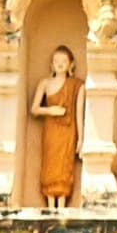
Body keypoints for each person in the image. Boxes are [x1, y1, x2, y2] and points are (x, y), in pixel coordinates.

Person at [31, 45, 82, 204]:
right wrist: (50, 110)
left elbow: (78, 113)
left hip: (68, 131)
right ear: (51, 64)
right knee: (50, 164)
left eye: (64, 61)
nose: (60, 64)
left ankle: (61, 203)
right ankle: (50, 202)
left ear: (71, 65)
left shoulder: (77, 86)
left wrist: (81, 138)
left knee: (64, 164)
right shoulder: (45, 83)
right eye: (56, 61)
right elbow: (34, 109)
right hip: (51, 130)